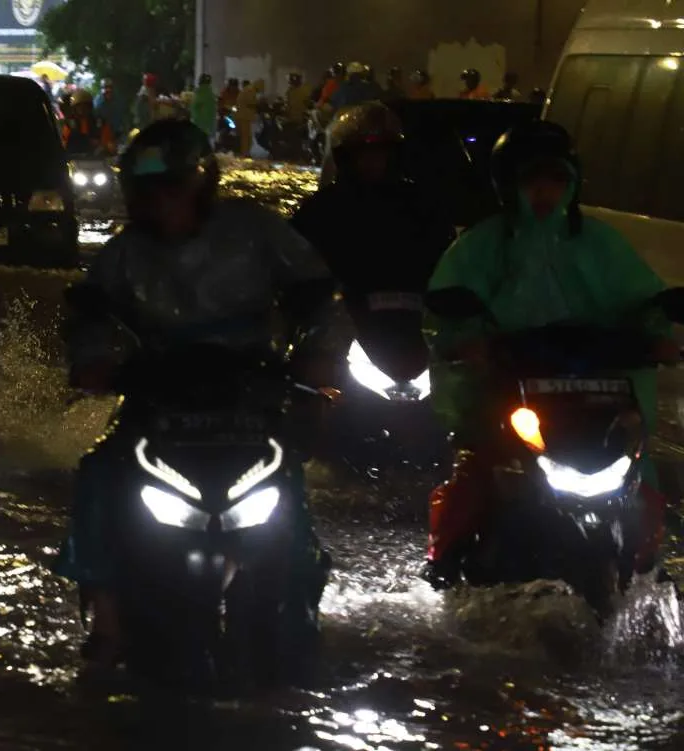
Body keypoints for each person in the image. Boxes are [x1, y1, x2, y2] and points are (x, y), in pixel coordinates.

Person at [53, 120, 334, 665]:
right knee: (99, 474)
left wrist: (319, 356)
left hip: (249, 394)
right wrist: (92, 362)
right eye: (150, 192)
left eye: (172, 190)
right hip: (158, 396)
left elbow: (319, 296)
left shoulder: (258, 232)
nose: (162, 203)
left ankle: (300, 609)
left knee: (288, 481)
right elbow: (89, 316)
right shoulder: (122, 254)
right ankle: (107, 622)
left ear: (200, 186)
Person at [422, 121, 679, 588]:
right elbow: (450, 306)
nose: (545, 193)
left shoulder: (601, 243)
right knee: (480, 464)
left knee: (639, 468)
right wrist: (470, 340)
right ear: (508, 186)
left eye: (557, 180)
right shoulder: (482, 245)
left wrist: (658, 334)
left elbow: (642, 297)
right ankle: (444, 555)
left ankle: (647, 555)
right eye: (533, 182)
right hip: (510, 378)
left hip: (595, 383)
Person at [293, 101, 454, 315]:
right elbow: (296, 261)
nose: (373, 161)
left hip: (413, 321)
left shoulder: (421, 203)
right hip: (346, 320)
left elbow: (445, 260)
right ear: (347, 157)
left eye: (380, 153)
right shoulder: (323, 207)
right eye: (364, 154)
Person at [62, 89, 114, 155]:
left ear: (90, 106)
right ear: (74, 108)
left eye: (85, 105)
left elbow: (109, 142)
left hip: (99, 159)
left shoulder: (99, 122)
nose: (82, 108)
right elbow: (65, 145)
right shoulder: (70, 124)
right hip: (76, 160)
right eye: (79, 106)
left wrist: (106, 147)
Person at [234, 79, 261, 155]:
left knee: (245, 136)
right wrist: (258, 105)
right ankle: (245, 153)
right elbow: (251, 103)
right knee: (246, 137)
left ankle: (244, 152)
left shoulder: (248, 89)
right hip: (244, 117)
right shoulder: (250, 91)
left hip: (241, 116)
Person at [94, 79, 125, 144]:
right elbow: (96, 119)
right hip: (104, 132)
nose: (108, 90)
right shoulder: (98, 102)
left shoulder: (117, 99)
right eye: (106, 87)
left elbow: (121, 115)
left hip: (117, 131)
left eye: (110, 87)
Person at [190, 73, 218, 142]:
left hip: (200, 125)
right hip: (210, 125)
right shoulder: (211, 93)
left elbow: (193, 106)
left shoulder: (200, 93)